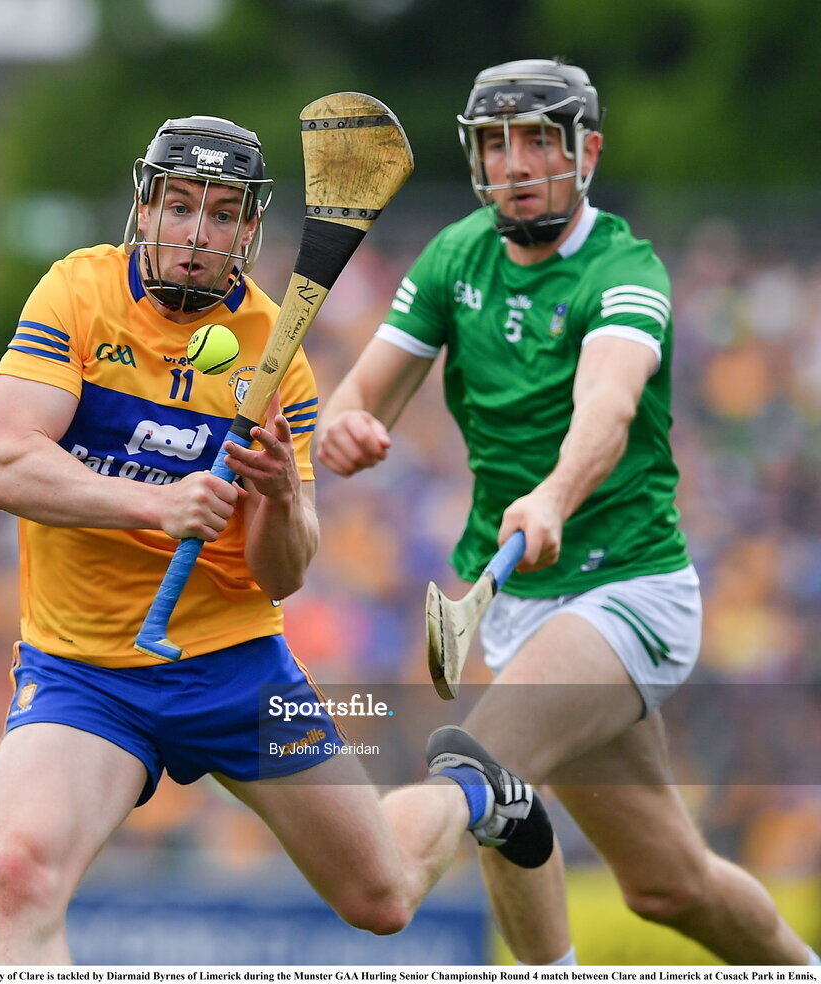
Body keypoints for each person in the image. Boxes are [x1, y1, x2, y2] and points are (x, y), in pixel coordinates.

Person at [0, 113, 553, 964]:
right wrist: (159, 506)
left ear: (249, 230)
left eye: (219, 214)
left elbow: (281, 576)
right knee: (22, 873)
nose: (195, 233)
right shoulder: (78, 294)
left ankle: (472, 790)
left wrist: (281, 497)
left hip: (233, 665)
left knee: (384, 897)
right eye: (179, 207)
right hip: (86, 672)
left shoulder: (278, 358)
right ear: (145, 210)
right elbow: (5, 465)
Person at [317, 60, 821, 966]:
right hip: (513, 602)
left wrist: (552, 495)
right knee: (668, 883)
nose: (514, 163)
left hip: (627, 590)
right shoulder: (454, 257)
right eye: (495, 143)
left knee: (474, 765)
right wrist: (346, 428)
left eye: (538, 139)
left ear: (586, 151)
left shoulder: (625, 268)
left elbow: (609, 406)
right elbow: (364, 398)